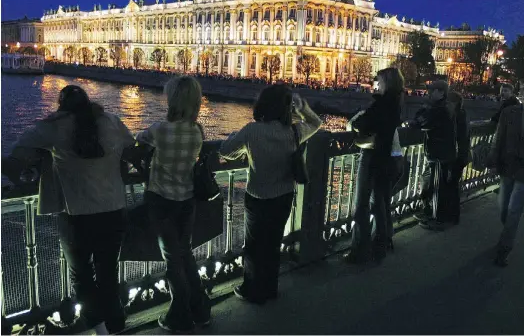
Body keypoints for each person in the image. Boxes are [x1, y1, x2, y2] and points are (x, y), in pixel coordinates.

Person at [7, 85, 135, 334]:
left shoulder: (54, 125)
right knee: (108, 272)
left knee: (82, 276)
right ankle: (116, 323)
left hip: (77, 215)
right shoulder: (110, 120)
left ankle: (99, 328)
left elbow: (18, 152)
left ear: (61, 105)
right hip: (113, 210)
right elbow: (130, 148)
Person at [220, 85, 322, 304]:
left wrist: (235, 137)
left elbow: (225, 151)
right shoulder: (293, 132)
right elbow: (316, 123)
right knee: (273, 244)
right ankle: (269, 288)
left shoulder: (252, 130)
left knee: (254, 246)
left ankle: (252, 288)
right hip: (284, 195)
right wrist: (302, 107)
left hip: (257, 196)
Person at [136, 76, 211, 333]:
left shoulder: (160, 129)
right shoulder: (197, 131)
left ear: (174, 100)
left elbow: (138, 137)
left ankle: (180, 315)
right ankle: (201, 308)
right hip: (187, 201)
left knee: (172, 259)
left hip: (161, 202)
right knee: (185, 253)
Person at [343, 67, 404, 264]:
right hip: (387, 158)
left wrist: (356, 122)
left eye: (379, 81)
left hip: (372, 157)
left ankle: (361, 250)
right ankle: (382, 245)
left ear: (387, 82)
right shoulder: (396, 102)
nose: (376, 84)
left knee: (361, 205)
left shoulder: (382, 104)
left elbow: (363, 124)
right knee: (380, 203)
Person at [487, 77, 524, 267]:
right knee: (504, 208)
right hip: (507, 166)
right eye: (521, 87)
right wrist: (493, 161)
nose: (521, 91)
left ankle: (504, 249)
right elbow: (498, 138)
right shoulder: (509, 113)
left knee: (514, 211)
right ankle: (507, 233)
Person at [409, 80, 457, 230]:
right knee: (431, 183)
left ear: (441, 92)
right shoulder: (444, 107)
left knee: (437, 187)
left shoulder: (439, 108)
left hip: (438, 153)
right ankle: (430, 212)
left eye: (433, 90)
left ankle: (438, 219)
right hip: (442, 152)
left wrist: (423, 108)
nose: (429, 93)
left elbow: (421, 122)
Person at [444, 91, 470, 225]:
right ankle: (453, 216)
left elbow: (456, 139)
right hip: (462, 156)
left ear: (453, 103)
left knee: (451, 186)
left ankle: (450, 216)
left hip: (456, 157)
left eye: (447, 102)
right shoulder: (462, 114)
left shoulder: (456, 117)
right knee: (453, 186)